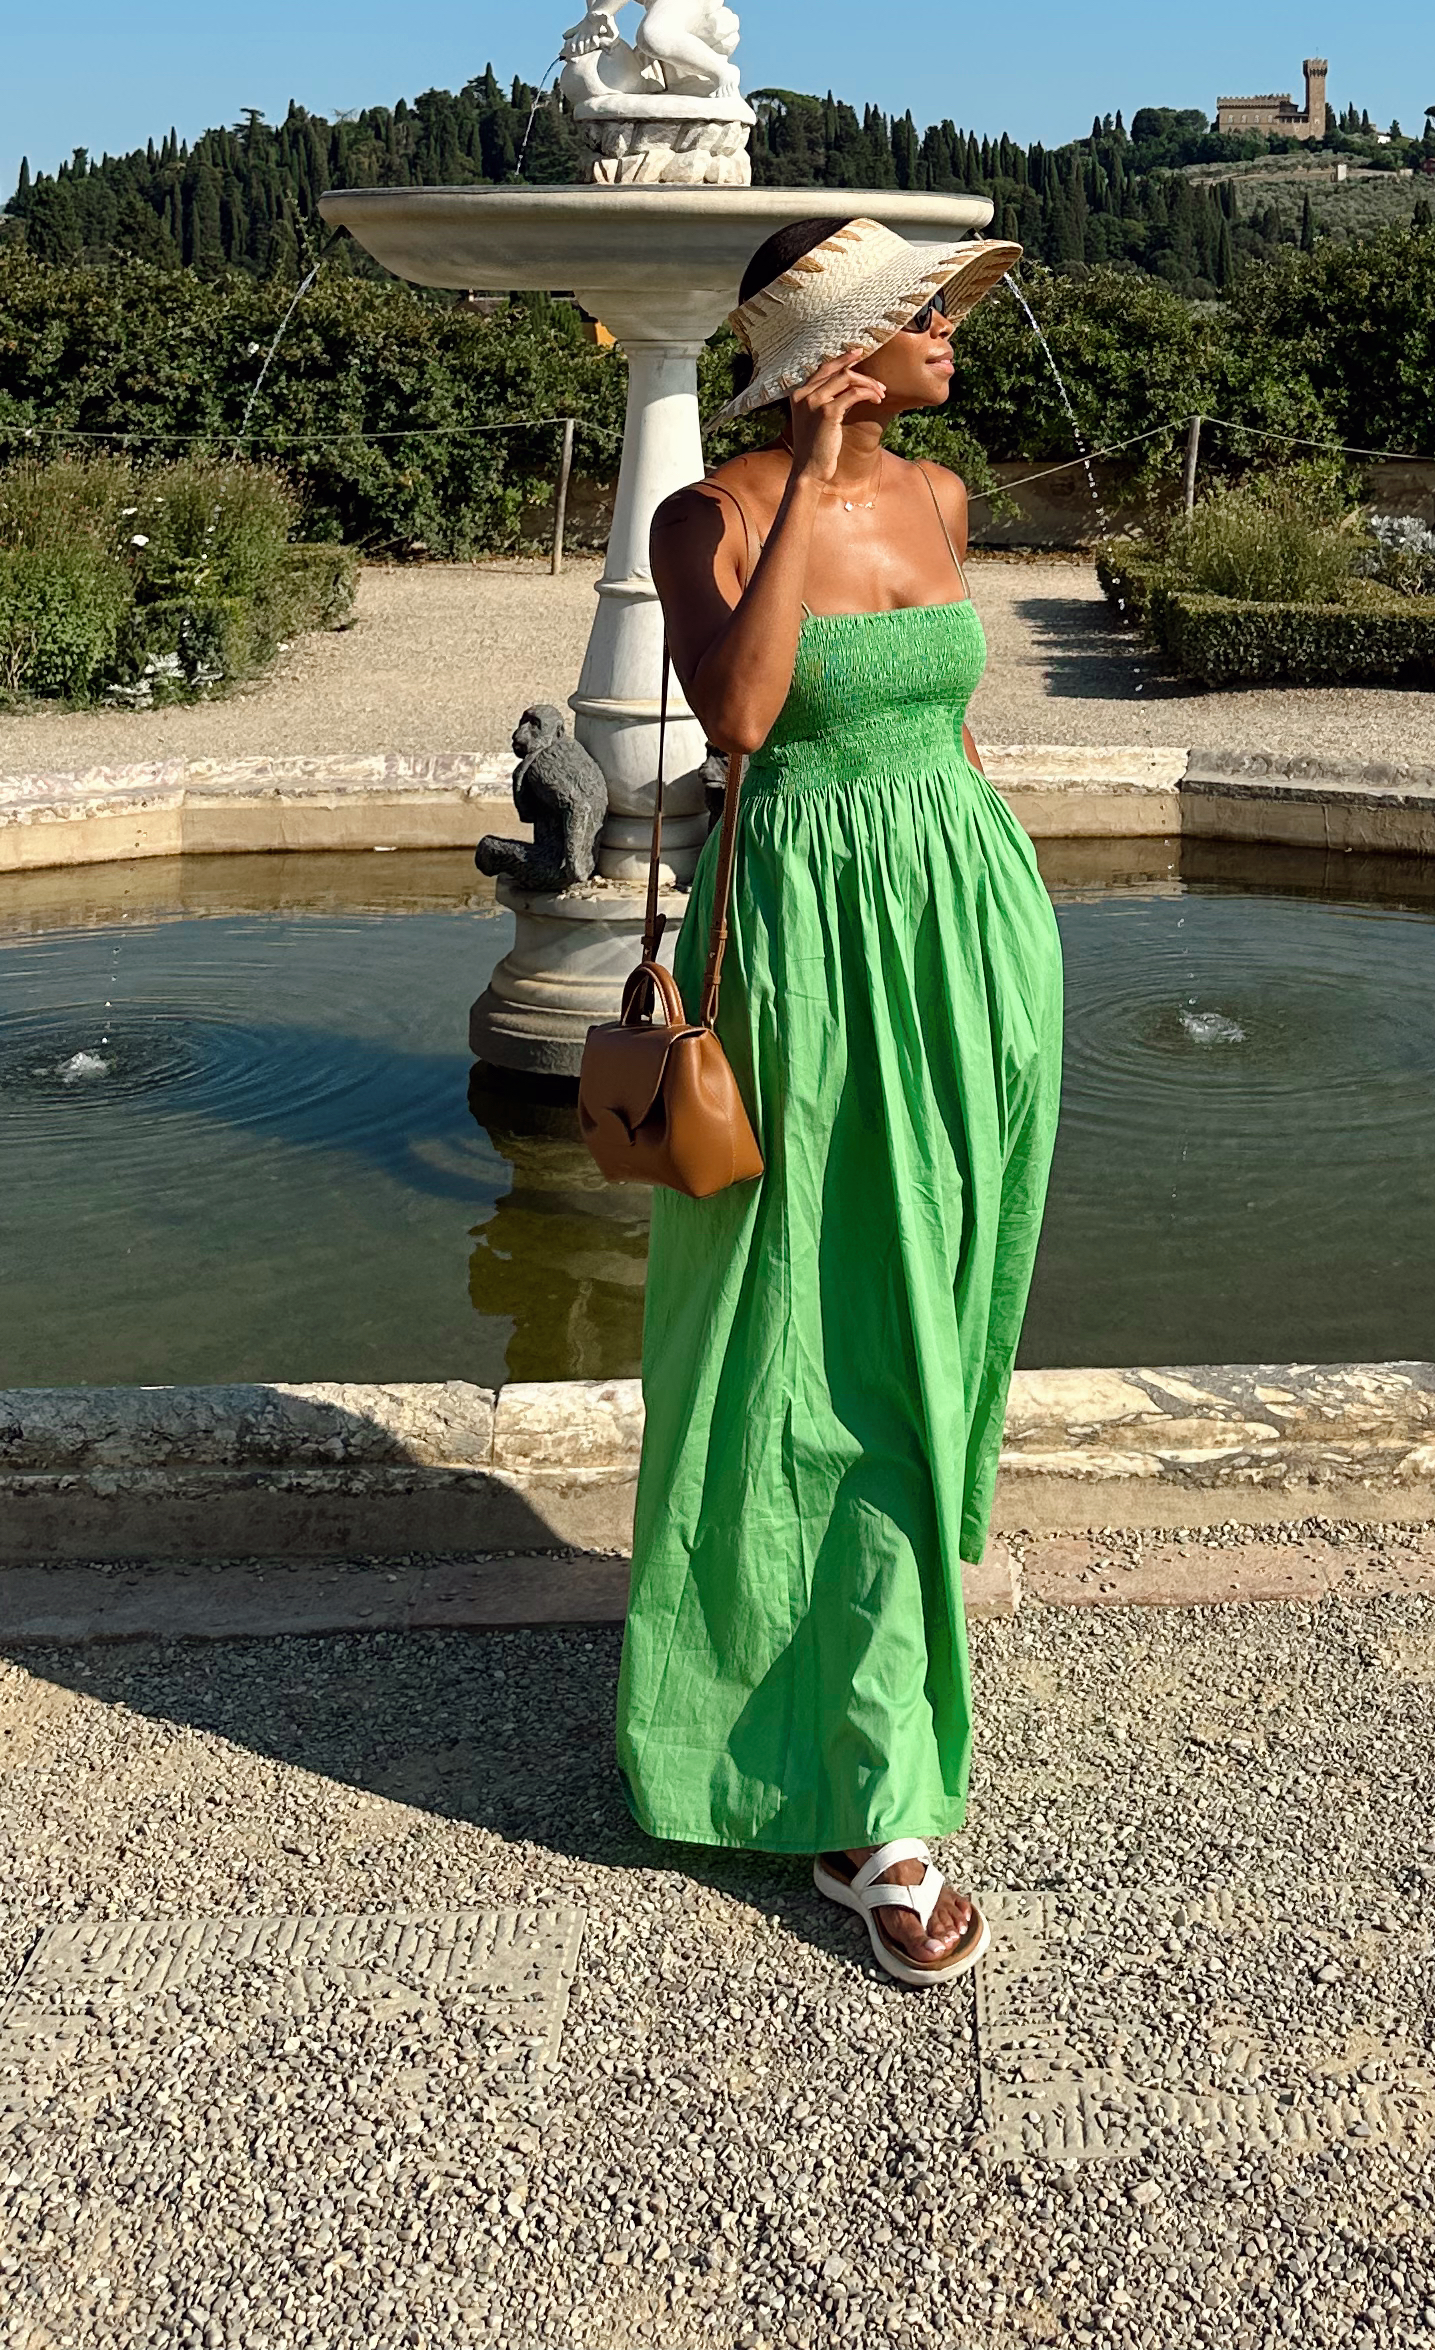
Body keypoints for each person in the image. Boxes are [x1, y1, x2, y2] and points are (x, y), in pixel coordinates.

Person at [620, 210, 1061, 1995]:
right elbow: (732, 718)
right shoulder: (706, 512)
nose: (954, 333)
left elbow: (948, 725)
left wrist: (1001, 910)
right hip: (794, 941)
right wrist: (799, 473)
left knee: (930, 1317)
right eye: (924, 315)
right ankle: (863, 1791)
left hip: (957, 931)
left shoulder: (947, 496)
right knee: (804, 1336)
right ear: (837, 357)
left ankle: (860, 1699)